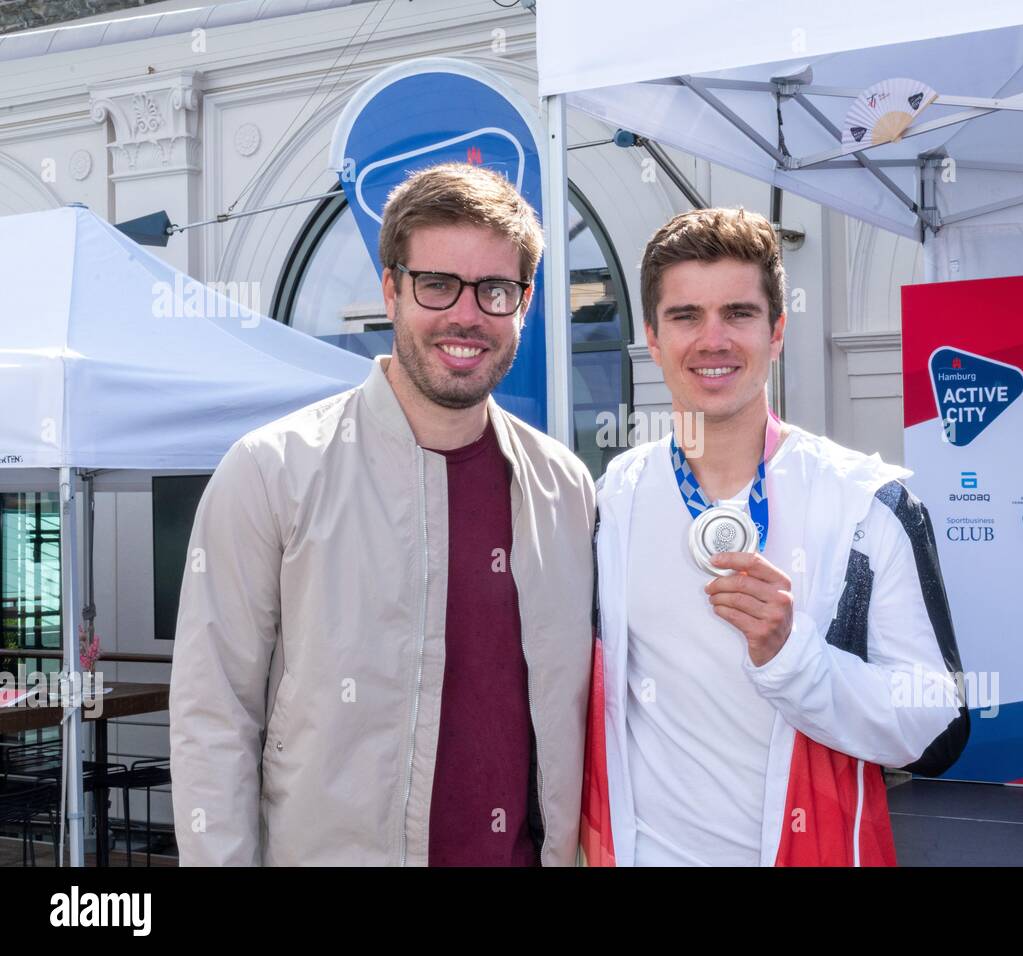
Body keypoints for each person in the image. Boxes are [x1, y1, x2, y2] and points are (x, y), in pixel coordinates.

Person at [170, 162, 595, 866]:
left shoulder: (566, 489)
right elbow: (212, 717)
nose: (466, 315)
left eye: (494, 290)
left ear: (523, 304)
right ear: (392, 290)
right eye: (437, 284)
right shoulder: (271, 471)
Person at [581, 207, 969, 866]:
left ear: (778, 330)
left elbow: (936, 729)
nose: (713, 339)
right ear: (651, 336)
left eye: (737, 313)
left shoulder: (866, 504)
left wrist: (793, 655)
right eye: (684, 317)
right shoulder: (613, 495)